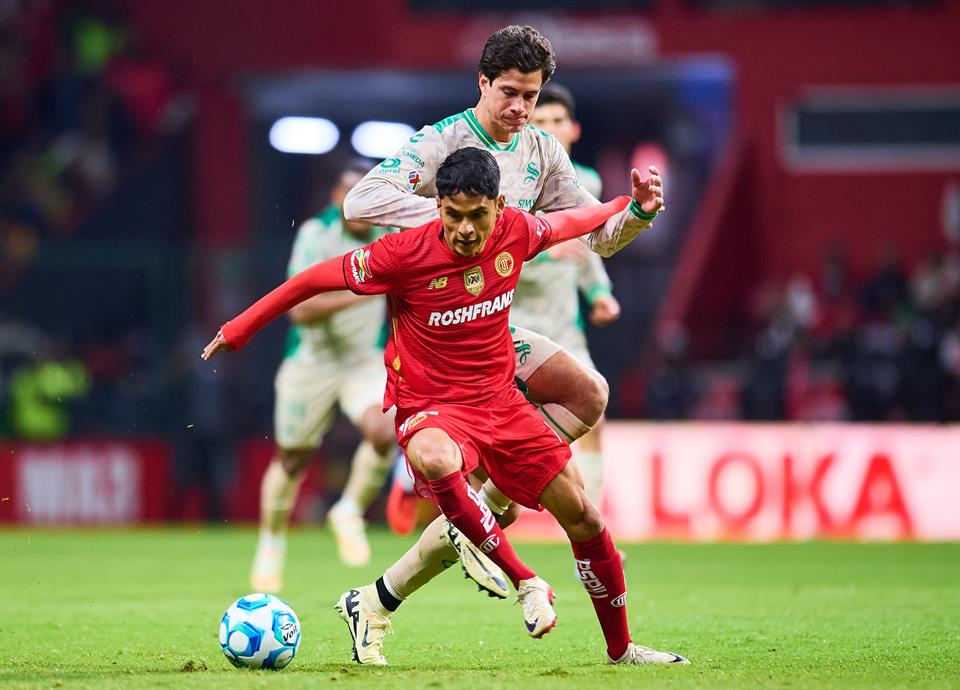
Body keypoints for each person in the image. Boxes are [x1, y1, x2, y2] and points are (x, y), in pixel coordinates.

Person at [202, 146, 688, 668]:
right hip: (429, 404)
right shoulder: (402, 253)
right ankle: (523, 578)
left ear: (500, 206)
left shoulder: (517, 231)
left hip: (500, 403)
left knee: (585, 518)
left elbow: (573, 221)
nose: (465, 229)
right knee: (435, 459)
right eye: (453, 215)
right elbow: (308, 281)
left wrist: (629, 205)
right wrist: (239, 328)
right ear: (437, 206)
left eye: (477, 215)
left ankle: (621, 649)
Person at [344, 24, 663, 607]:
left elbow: (598, 236)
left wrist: (637, 214)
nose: (520, 107)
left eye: (531, 96)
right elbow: (360, 201)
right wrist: (453, 218)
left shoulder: (543, 153)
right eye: (509, 93)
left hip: (499, 328)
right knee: (473, 495)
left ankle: (466, 517)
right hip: (439, 337)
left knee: (589, 395)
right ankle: (440, 512)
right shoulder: (441, 141)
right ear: (483, 83)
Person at [250, 163, 394, 592]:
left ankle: (349, 511)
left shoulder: (388, 234)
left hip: (363, 362)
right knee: (292, 459)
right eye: (351, 195)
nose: (359, 206)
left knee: (384, 430)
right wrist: (361, 291)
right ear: (337, 197)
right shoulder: (316, 234)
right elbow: (299, 309)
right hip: (311, 362)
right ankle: (271, 543)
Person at [519, 81, 620, 507]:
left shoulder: (586, 182)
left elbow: (587, 248)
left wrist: (599, 292)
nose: (549, 129)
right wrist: (547, 251)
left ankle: (591, 526)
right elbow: (490, 255)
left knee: (595, 416)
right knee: (494, 433)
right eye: (539, 120)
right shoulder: (511, 181)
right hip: (513, 323)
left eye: (557, 120)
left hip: (563, 327)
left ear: (573, 129)